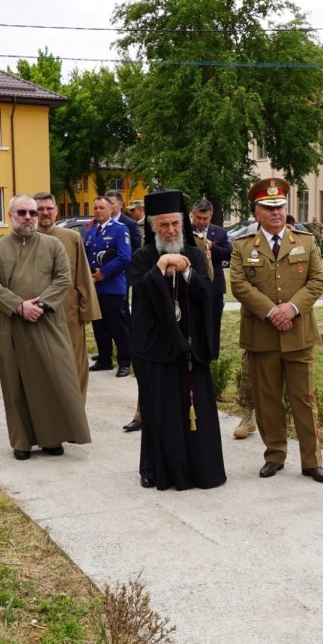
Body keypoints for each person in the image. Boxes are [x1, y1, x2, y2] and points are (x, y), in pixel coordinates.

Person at [230, 177, 323, 483]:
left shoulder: (306, 242)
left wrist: (291, 308)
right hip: (261, 335)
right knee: (268, 399)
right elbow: (238, 284)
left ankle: (312, 461)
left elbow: (317, 281)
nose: (276, 212)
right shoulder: (243, 246)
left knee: (304, 399)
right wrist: (271, 311)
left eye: (280, 206)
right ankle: (274, 454)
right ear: (256, 212)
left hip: (298, 334)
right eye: (268, 207)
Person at [129, 189, 226, 490]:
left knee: (195, 410)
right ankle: (157, 469)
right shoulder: (143, 257)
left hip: (190, 349)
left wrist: (186, 273)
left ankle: (200, 469)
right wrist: (160, 269)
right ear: (153, 227)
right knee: (159, 410)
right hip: (157, 351)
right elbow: (141, 297)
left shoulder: (194, 254)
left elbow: (208, 295)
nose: (170, 230)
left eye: (175, 224)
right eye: (163, 225)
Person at [0, 195, 91, 460]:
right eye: (22, 212)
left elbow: (64, 278)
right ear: (10, 215)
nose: (29, 217)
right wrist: (19, 306)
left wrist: (40, 305)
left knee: (53, 380)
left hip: (48, 322)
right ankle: (22, 441)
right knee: (15, 384)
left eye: (32, 212)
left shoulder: (53, 245)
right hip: (12, 325)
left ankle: (52, 438)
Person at [35, 192, 99, 404]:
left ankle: (76, 411)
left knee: (74, 362)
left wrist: (87, 310)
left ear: (56, 211)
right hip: (37, 312)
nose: (44, 213)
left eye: (48, 208)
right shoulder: (26, 239)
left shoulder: (72, 238)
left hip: (69, 312)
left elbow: (82, 275)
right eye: (40, 209)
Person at [84, 196, 133, 377]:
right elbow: (85, 256)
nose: (98, 211)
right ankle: (104, 359)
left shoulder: (120, 230)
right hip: (95, 287)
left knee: (118, 327)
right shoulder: (90, 232)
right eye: (95, 208)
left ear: (110, 209)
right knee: (99, 326)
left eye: (102, 208)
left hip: (112, 287)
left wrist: (103, 273)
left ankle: (125, 361)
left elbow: (124, 257)